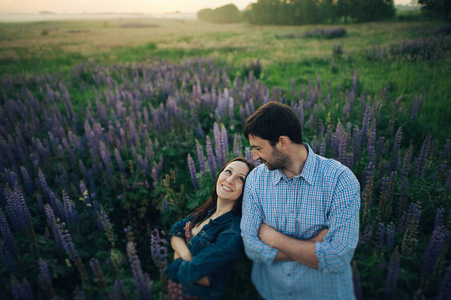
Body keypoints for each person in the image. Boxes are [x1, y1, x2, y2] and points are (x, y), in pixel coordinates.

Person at [241, 101, 361, 299]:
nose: (254, 156)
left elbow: (338, 258)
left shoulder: (340, 180)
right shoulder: (256, 179)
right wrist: (313, 245)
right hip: (272, 293)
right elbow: (251, 247)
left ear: (282, 142)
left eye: (258, 148)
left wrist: (274, 239)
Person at [163, 157, 255, 300]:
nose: (230, 180)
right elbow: (175, 230)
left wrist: (178, 251)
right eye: (228, 171)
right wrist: (187, 256)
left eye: (240, 179)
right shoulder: (206, 212)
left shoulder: (232, 233)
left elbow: (187, 274)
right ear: (219, 174)